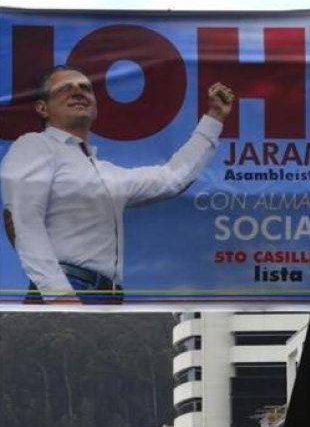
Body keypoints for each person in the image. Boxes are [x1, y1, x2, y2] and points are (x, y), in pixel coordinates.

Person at [0, 65, 234, 304]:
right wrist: (58, 294)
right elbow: (24, 221)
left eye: (85, 88)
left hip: (108, 298)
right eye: (64, 88)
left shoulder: (106, 174)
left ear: (96, 110)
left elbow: (171, 178)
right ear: (42, 108)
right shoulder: (34, 145)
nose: (78, 92)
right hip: (66, 290)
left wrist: (213, 119)